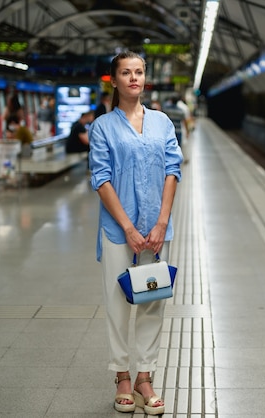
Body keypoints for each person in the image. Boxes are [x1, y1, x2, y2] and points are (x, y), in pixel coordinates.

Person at [88, 51, 183, 415]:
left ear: (146, 78)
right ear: (114, 80)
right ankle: (122, 377)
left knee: (152, 302)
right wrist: (127, 227)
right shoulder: (103, 127)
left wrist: (161, 222)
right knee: (117, 305)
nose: (133, 78)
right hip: (118, 232)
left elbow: (173, 170)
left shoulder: (162, 123)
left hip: (157, 232)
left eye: (139, 72)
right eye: (126, 73)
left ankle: (145, 377)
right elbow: (101, 178)